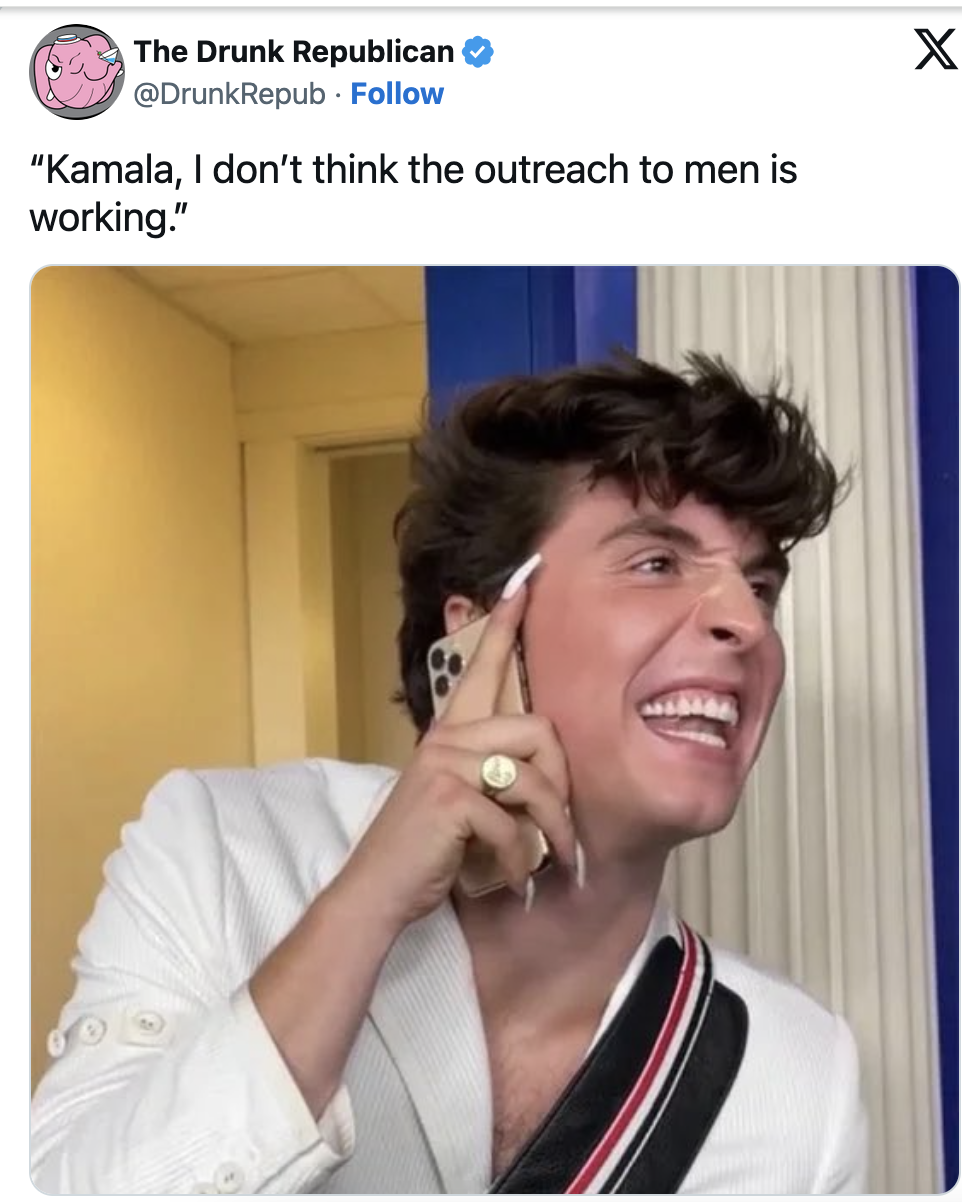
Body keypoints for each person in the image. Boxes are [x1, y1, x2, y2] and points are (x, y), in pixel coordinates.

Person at [31, 353, 868, 1194]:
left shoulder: (802, 1080)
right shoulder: (217, 853)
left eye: (761, 586)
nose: (747, 623)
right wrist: (368, 902)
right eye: (656, 563)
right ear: (472, 639)